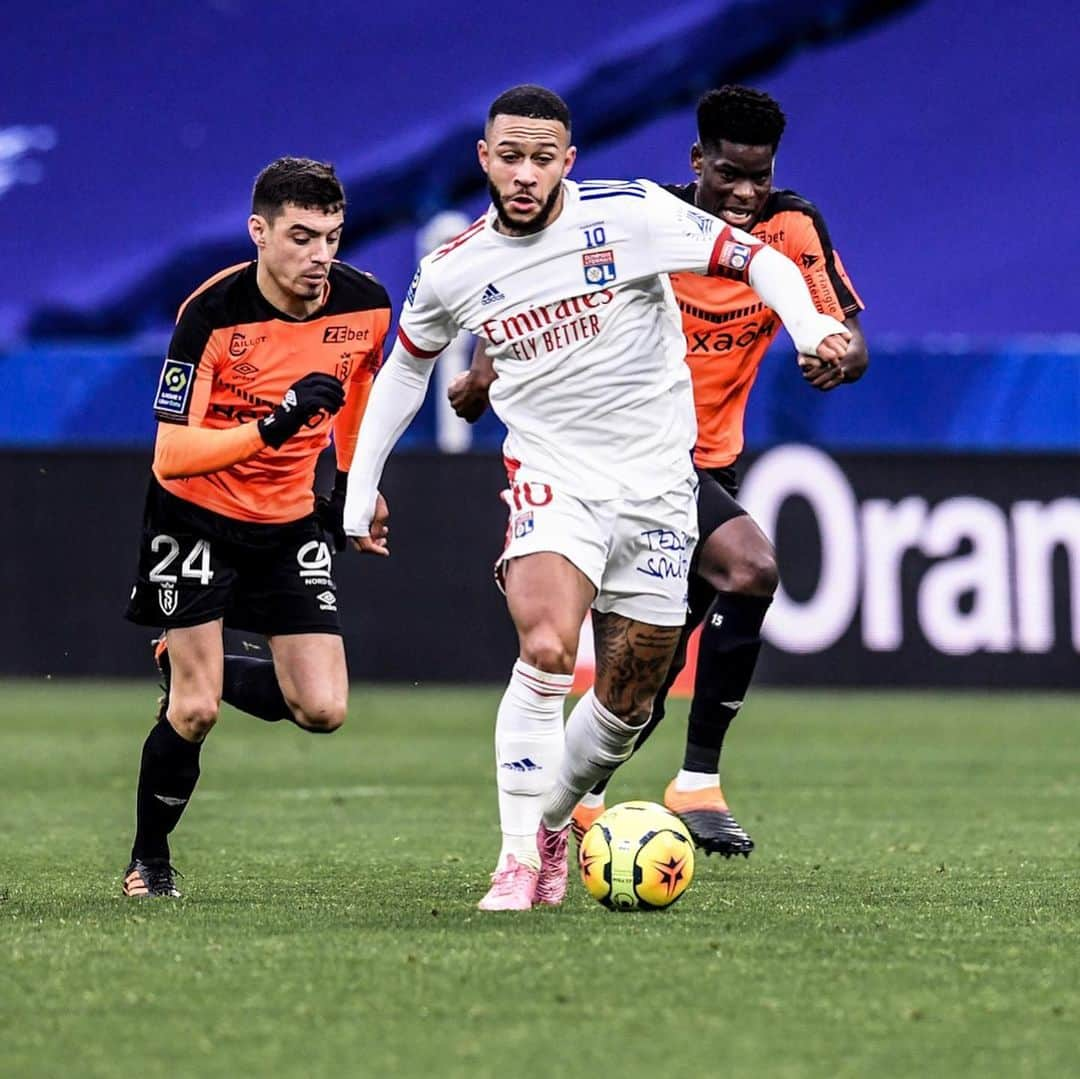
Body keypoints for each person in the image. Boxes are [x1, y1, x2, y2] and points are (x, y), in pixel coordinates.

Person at [344, 85, 851, 911]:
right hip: (554, 478)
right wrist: (361, 484)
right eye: (510, 155)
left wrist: (805, 326)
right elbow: (408, 362)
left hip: (659, 485)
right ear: (484, 159)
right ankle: (515, 861)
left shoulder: (632, 215)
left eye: (543, 157)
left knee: (629, 698)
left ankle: (548, 821)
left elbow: (756, 257)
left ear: (567, 163)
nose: (524, 172)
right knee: (546, 648)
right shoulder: (452, 268)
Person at [121, 157, 391, 897]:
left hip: (289, 520)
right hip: (195, 516)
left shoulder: (365, 304)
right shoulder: (210, 313)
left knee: (323, 708)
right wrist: (271, 426)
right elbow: (172, 456)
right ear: (259, 232)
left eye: (332, 237)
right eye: (301, 237)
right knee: (198, 709)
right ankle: (150, 860)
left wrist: (356, 490)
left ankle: (179, 660)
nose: (320, 256)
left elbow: (359, 389)